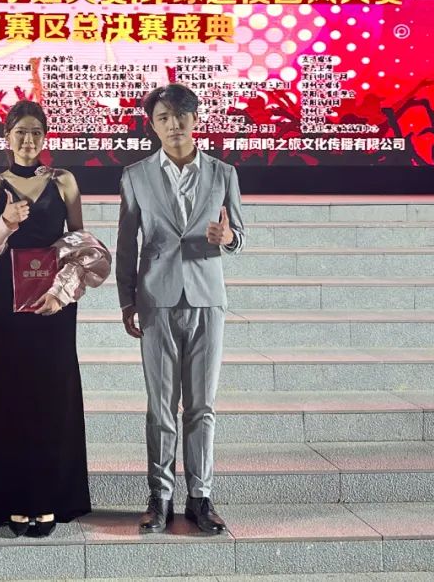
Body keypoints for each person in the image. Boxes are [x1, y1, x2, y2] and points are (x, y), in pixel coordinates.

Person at [0, 100, 110, 536]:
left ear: (45, 137)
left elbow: (82, 245)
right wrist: (5, 223)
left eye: (35, 132)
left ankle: (48, 497)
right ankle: (11, 497)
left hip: (54, 302)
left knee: (52, 394)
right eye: (20, 132)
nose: (28, 140)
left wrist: (61, 292)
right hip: (6, 301)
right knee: (8, 391)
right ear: (6, 137)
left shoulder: (64, 181)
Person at [115, 83, 245, 535]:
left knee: (202, 405)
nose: (173, 125)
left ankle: (201, 497)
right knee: (161, 406)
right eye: (163, 118)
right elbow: (126, 243)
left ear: (195, 119)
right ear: (152, 125)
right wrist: (127, 299)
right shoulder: (135, 176)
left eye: (180, 116)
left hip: (207, 298)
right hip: (156, 300)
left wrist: (228, 238)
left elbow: (239, 235)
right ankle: (160, 498)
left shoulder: (223, 173)